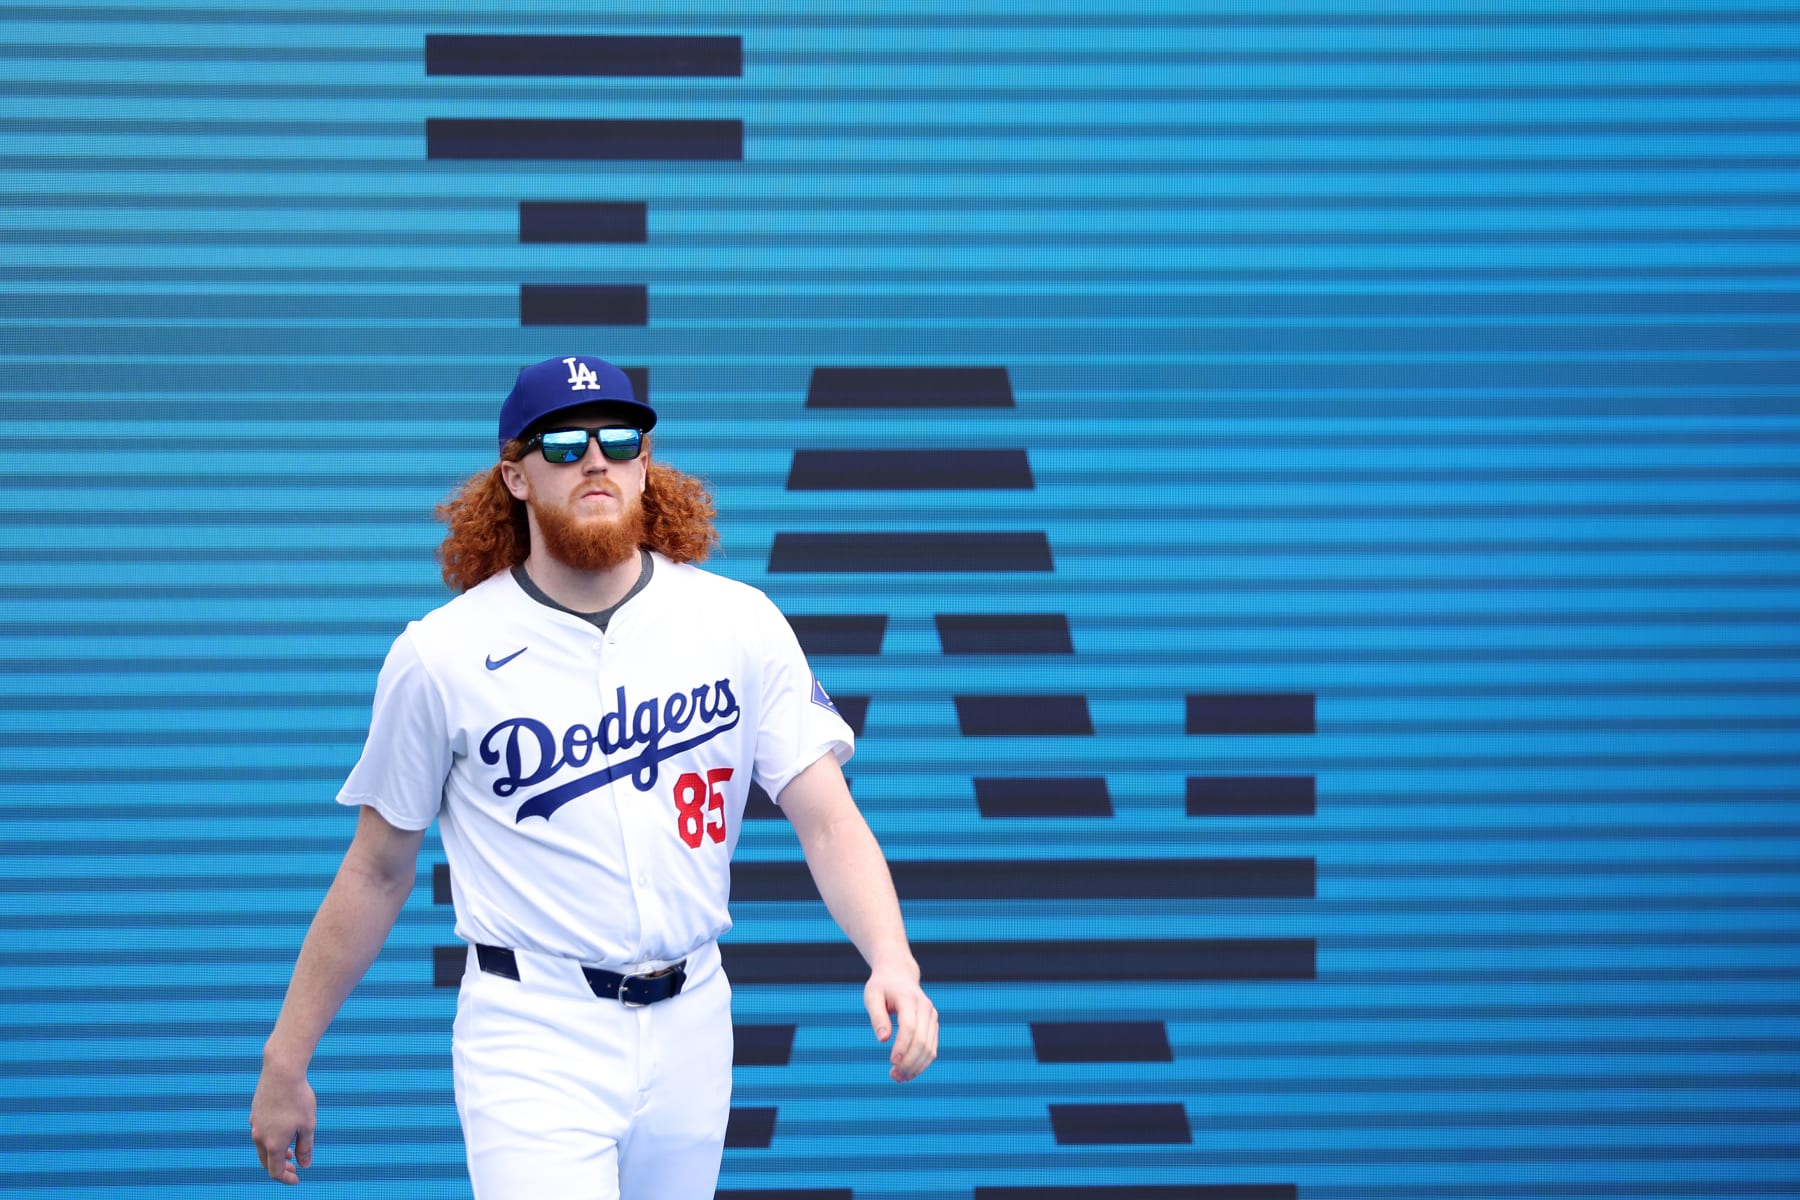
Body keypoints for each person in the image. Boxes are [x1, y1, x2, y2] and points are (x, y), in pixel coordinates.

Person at [250, 354, 938, 1197]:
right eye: (565, 443)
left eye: (619, 437)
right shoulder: (440, 654)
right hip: (532, 1028)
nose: (595, 458)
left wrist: (892, 958)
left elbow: (827, 819)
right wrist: (286, 1058)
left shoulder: (736, 622)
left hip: (693, 1019)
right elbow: (377, 868)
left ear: (645, 465)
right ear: (515, 475)